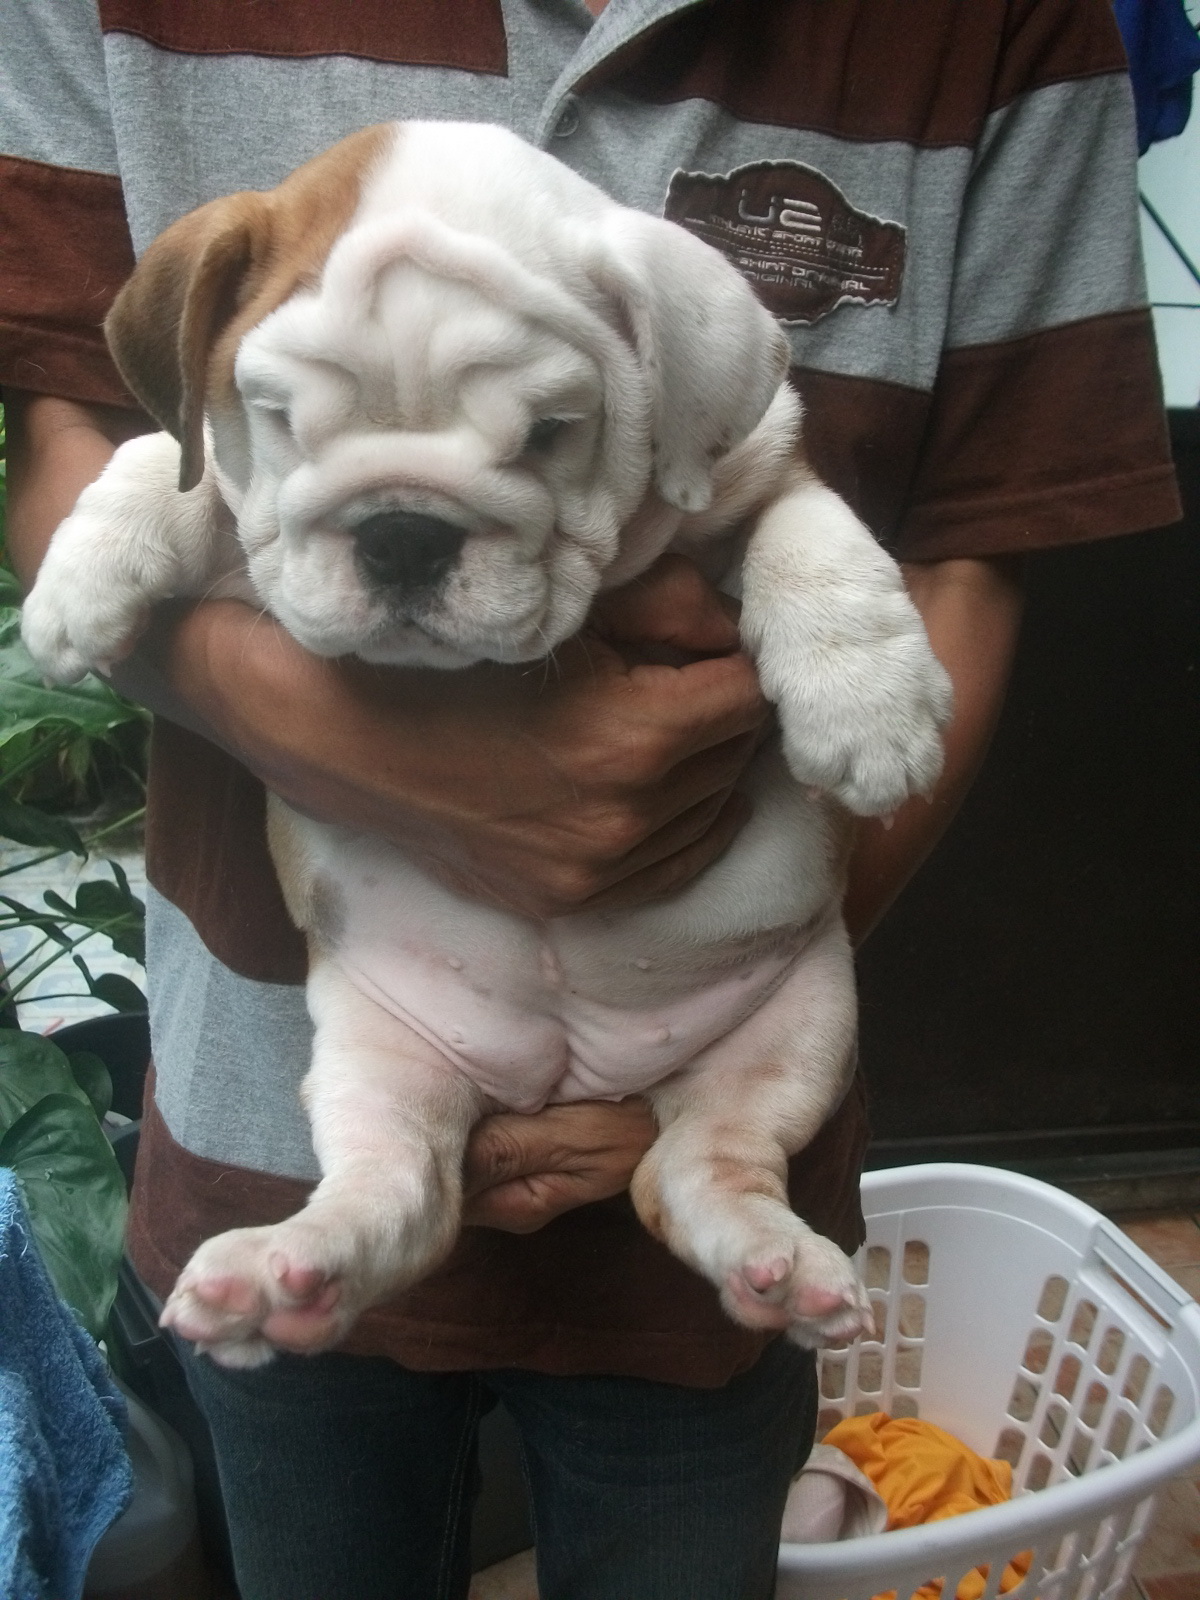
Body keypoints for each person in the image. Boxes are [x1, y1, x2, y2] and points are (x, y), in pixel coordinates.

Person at [0, 2, 1179, 1596]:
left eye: (538, 433)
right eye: (298, 418)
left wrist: (711, 983)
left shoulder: (988, 45)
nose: (404, 532)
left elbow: (934, 540)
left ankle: (716, 1163)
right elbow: (113, 430)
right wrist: (157, 548)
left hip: (690, 1161)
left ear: (669, 383)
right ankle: (374, 1202)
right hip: (293, 1073)